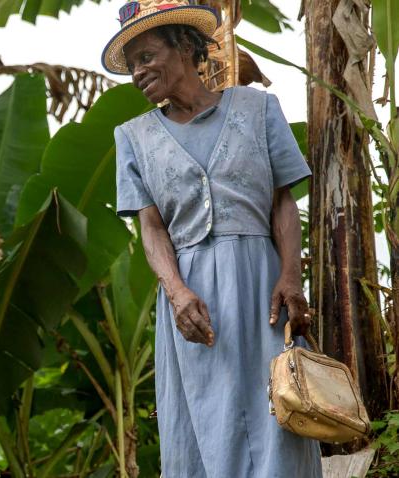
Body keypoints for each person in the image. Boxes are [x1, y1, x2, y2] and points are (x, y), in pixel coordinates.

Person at [102, 1, 323, 476]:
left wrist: (291, 276)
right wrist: (176, 292)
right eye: (132, 65)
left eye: (146, 57)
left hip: (263, 289)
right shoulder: (133, 137)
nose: (138, 73)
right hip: (193, 302)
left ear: (184, 45)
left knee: (280, 419)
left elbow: (282, 202)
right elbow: (152, 228)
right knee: (205, 425)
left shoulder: (258, 108)